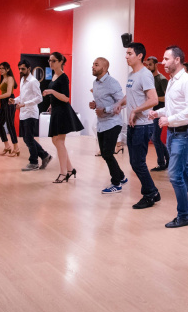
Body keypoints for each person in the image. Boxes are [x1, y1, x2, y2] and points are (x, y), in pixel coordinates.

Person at [148, 46, 188, 228]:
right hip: (174, 132)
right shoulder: (173, 81)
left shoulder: (187, 81)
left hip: (183, 133)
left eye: (166, 59)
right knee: (181, 172)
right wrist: (158, 113)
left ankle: (183, 216)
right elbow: (174, 108)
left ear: (177, 60)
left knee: (174, 175)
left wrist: (169, 119)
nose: (163, 62)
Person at [120, 43, 162, 209]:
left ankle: (150, 193)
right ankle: (152, 191)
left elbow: (154, 100)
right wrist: (119, 104)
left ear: (139, 56)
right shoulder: (132, 75)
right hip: (133, 125)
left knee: (138, 163)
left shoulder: (145, 75)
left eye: (129, 53)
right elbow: (131, 95)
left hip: (142, 125)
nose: (126, 56)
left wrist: (135, 111)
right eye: (126, 53)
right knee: (135, 162)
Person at [89, 57, 126, 194]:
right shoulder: (95, 82)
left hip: (113, 122)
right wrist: (94, 104)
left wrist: (105, 110)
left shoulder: (113, 83)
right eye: (93, 64)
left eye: (96, 65)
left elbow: (123, 102)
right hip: (101, 123)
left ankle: (116, 183)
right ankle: (121, 176)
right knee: (105, 154)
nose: (93, 66)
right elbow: (101, 101)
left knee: (107, 153)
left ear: (104, 68)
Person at [44, 52, 83, 183]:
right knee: (56, 141)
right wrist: (51, 104)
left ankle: (63, 173)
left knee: (59, 141)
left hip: (63, 112)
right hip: (56, 110)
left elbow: (66, 98)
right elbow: (58, 96)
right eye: (50, 60)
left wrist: (51, 92)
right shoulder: (54, 75)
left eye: (53, 61)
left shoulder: (63, 77)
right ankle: (70, 169)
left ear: (61, 62)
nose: (51, 63)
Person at [11, 60, 52, 171]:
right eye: (19, 69)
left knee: (28, 138)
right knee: (26, 138)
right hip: (24, 113)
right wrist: (14, 100)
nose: (20, 71)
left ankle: (34, 162)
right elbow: (23, 96)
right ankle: (44, 155)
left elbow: (39, 98)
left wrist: (25, 104)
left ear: (29, 68)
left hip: (31, 113)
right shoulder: (22, 80)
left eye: (23, 69)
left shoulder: (33, 81)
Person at [0, 62, 20, 157]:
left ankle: (16, 148)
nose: (1, 70)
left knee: (10, 124)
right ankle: (7, 146)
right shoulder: (3, 78)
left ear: (8, 69)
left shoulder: (10, 78)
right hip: (3, 102)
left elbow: (8, 94)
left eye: (3, 68)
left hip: (9, 101)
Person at [146, 56, 170, 172]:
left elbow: (167, 98)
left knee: (155, 137)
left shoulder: (162, 79)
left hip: (160, 112)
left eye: (150, 64)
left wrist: (154, 99)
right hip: (152, 112)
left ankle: (162, 163)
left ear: (156, 65)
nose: (148, 66)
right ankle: (168, 158)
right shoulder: (149, 79)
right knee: (154, 137)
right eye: (147, 64)